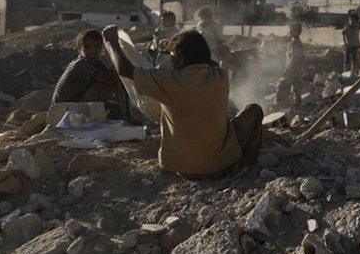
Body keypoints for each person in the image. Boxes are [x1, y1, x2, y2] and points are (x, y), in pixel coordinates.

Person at [101, 25, 262, 179]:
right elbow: (210, 64)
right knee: (253, 109)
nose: (170, 62)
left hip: (178, 167)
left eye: (172, 57)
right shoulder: (221, 77)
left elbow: (125, 69)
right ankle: (246, 166)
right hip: (220, 166)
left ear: (180, 58)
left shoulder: (167, 81)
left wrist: (112, 43)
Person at [52, 29, 120, 104]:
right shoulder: (79, 65)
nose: (93, 51)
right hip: (65, 107)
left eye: (97, 46)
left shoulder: (97, 64)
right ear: (80, 48)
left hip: (76, 103)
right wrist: (114, 48)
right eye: (87, 47)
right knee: (105, 84)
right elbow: (111, 79)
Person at [277, 22, 305, 110]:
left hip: (293, 70)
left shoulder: (296, 44)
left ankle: (282, 106)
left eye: (291, 30)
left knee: (282, 86)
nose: (289, 32)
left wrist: (287, 70)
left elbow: (294, 59)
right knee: (296, 90)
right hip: (295, 70)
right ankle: (297, 107)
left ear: (297, 32)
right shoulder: (294, 42)